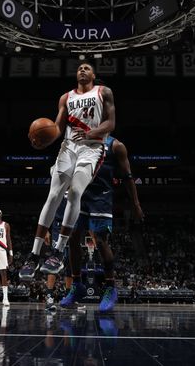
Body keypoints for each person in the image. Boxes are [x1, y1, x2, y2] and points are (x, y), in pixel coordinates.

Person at [19, 62, 116, 280]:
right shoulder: (66, 97)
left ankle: (57, 252)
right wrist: (41, 141)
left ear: (94, 74)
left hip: (92, 149)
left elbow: (111, 122)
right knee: (53, 195)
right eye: (80, 68)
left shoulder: (104, 92)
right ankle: (34, 255)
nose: (82, 70)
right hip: (68, 148)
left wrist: (92, 133)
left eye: (87, 68)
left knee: (74, 193)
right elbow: (56, 128)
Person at [59, 136, 143, 312]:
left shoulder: (116, 146)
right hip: (79, 193)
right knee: (72, 237)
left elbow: (128, 177)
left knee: (101, 241)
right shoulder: (77, 140)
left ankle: (110, 288)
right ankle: (77, 285)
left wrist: (135, 204)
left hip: (100, 196)